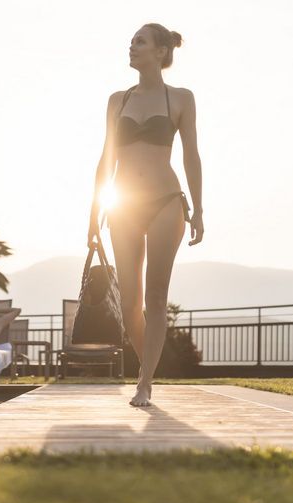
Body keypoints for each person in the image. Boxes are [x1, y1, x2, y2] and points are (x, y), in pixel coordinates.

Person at [88, 23, 204, 407]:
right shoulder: (117, 100)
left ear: (160, 51)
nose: (132, 46)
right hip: (123, 206)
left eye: (140, 41)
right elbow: (107, 158)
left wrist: (198, 209)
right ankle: (148, 366)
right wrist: (93, 214)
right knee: (128, 305)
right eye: (132, 41)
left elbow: (191, 156)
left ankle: (145, 382)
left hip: (166, 202)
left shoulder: (181, 99)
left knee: (156, 295)